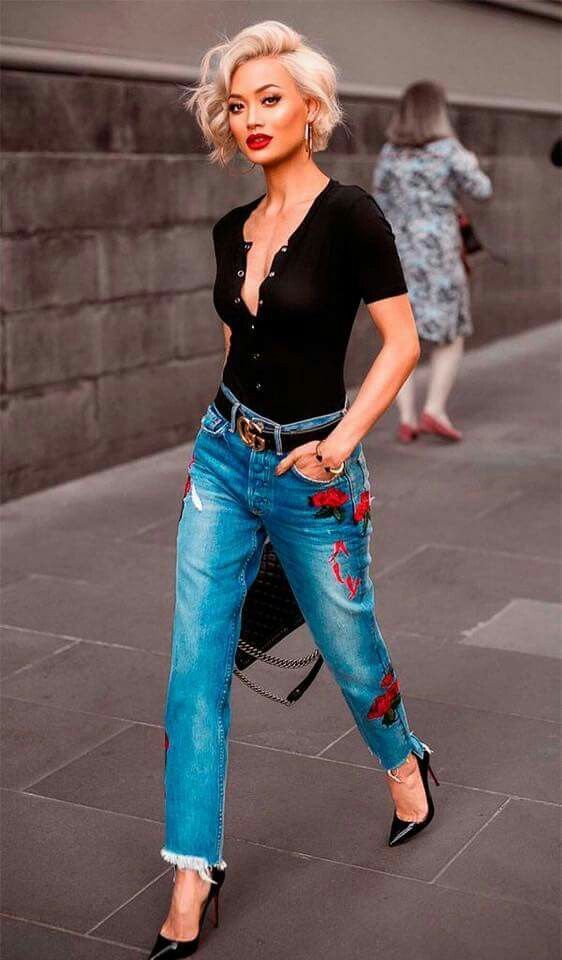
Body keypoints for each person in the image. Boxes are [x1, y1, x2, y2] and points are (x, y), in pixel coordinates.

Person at [148, 21, 439, 959]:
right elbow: (239, 346)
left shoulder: (353, 216)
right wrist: (227, 439)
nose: (252, 117)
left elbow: (402, 343)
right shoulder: (230, 229)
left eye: (270, 99)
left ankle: (403, 760)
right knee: (196, 664)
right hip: (222, 460)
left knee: (351, 650)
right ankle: (192, 873)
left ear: (312, 109)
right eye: (238, 105)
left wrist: (337, 447)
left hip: (315, 474)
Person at [372, 81, 493, 444]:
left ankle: (406, 418)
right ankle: (434, 409)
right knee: (450, 334)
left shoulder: (390, 153)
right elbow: (482, 189)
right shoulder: (448, 150)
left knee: (400, 334)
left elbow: (378, 200)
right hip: (439, 253)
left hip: (399, 252)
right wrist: (471, 162)